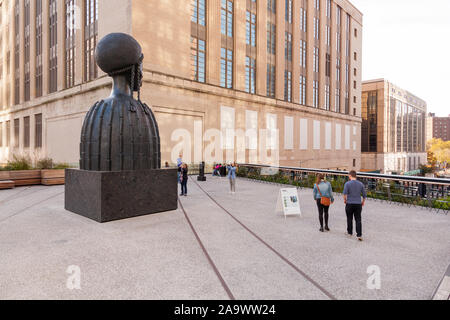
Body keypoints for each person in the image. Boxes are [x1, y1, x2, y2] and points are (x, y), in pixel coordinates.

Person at [343, 170, 367, 241]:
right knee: (358, 219)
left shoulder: (347, 184)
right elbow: (364, 195)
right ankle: (359, 235)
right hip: (358, 204)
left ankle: (350, 232)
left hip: (349, 203)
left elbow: (344, 194)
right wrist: (363, 202)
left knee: (349, 218)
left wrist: (345, 200)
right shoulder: (361, 184)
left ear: (350, 176)